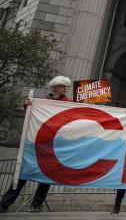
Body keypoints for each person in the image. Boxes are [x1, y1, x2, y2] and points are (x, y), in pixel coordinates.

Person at [0, 76, 73, 213]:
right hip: (36, 144)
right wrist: (28, 105)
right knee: (22, 174)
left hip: (54, 146)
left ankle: (36, 204)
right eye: (63, 86)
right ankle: (4, 204)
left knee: (46, 176)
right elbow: (30, 113)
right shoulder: (43, 102)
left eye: (67, 86)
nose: (66, 88)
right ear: (55, 87)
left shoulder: (69, 103)